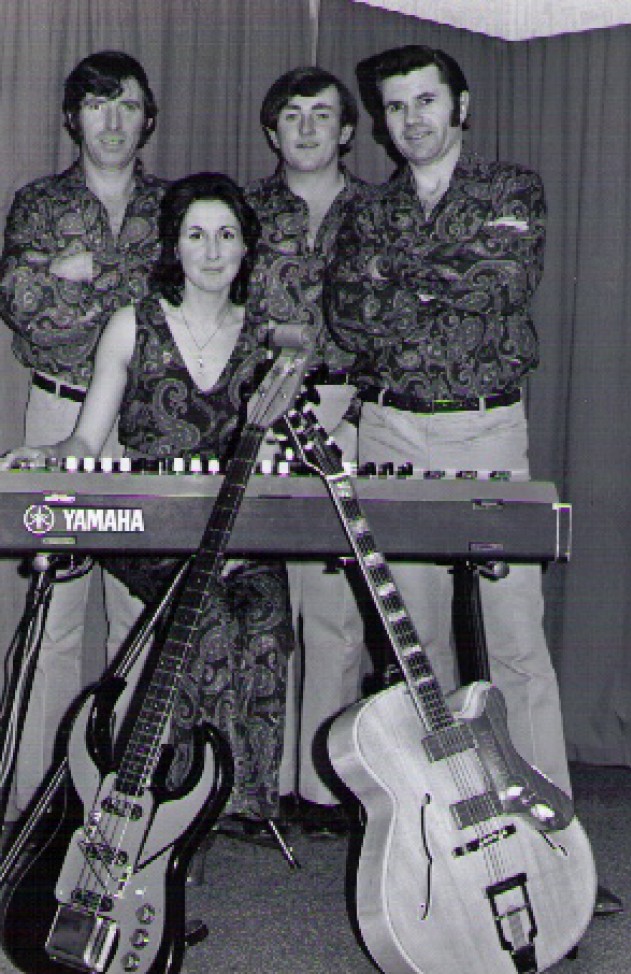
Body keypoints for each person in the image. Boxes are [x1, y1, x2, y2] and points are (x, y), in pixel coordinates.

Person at [0, 171, 293, 830]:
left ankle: (237, 799)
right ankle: (179, 804)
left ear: (246, 247)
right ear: (173, 245)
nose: (212, 251)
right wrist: (45, 456)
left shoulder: (267, 338)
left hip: (238, 530)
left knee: (267, 622)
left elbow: (280, 446)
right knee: (204, 614)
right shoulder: (133, 325)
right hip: (152, 529)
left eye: (227, 235)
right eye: (196, 235)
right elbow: (84, 439)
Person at [325, 43, 571, 795]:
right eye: (396, 106)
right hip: (390, 430)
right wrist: (445, 273)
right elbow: (348, 317)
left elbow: (501, 282)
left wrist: (393, 276)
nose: (411, 119)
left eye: (426, 101)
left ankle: (548, 826)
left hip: (485, 430)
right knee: (415, 649)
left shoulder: (511, 188)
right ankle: (439, 822)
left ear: (460, 106)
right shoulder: (366, 210)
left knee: (514, 637)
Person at [0, 50, 167, 813]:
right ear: (73, 118)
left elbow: (180, 316)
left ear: (148, 118)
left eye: (127, 104)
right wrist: (122, 294)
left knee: (139, 615)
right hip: (60, 416)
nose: (112, 121)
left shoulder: (175, 208)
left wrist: (80, 279)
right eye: (98, 105)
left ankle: (127, 803)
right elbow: (24, 308)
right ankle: (37, 802)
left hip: (148, 424)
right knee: (56, 613)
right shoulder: (40, 203)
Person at [245, 67, 371, 837]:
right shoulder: (243, 212)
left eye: (322, 114)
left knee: (335, 610)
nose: (307, 127)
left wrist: (362, 394)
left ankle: (323, 789)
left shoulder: (381, 211)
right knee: (264, 606)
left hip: (350, 408)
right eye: (291, 114)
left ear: (347, 129)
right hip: (262, 411)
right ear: (272, 130)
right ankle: (259, 788)